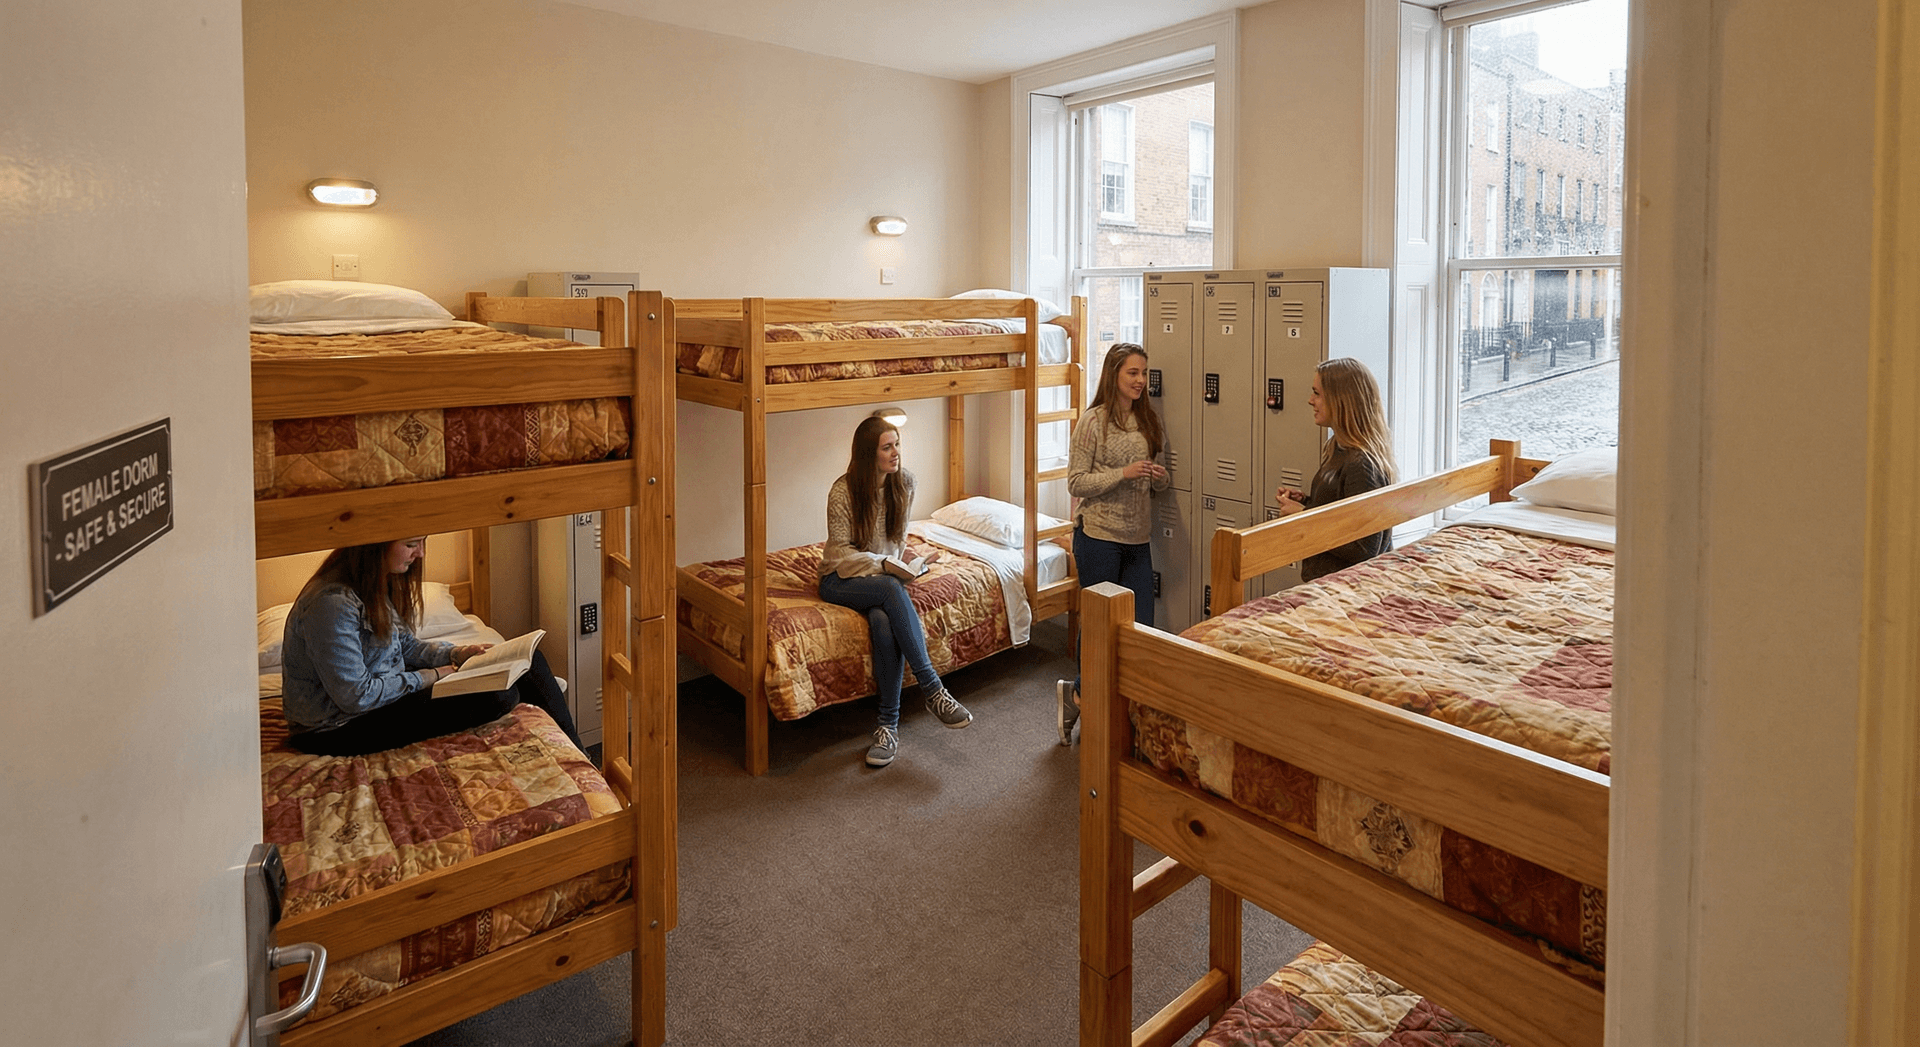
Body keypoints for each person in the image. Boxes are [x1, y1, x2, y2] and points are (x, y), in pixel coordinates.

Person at [280, 536, 581, 756]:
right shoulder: (330, 604)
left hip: (378, 704)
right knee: (500, 696)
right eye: (411, 544)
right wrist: (434, 675)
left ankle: (582, 758)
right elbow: (356, 697)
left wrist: (457, 654)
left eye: (422, 542)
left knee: (532, 660)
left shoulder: (372, 583)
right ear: (375, 543)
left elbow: (406, 647)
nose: (420, 554)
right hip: (337, 727)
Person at [819, 416, 973, 768]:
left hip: (881, 580)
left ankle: (887, 727)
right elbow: (842, 557)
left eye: (897, 445)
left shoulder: (904, 484)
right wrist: (886, 566)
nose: (896, 453)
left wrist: (905, 565)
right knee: (889, 588)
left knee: (883, 622)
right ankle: (933, 690)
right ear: (867, 454)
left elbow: (898, 543)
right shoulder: (842, 491)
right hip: (838, 580)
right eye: (887, 447)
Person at [1056, 343, 1170, 746]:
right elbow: (1075, 482)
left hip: (1137, 537)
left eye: (1143, 373)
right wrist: (1122, 473)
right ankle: (1082, 698)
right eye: (1132, 374)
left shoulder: (1147, 421)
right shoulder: (1093, 421)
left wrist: (1157, 477)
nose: (1140, 381)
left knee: (1141, 627)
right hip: (1098, 537)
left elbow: (1162, 480)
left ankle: (1118, 710)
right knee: (1099, 628)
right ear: (1114, 376)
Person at [1273, 357, 1400, 583]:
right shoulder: (1337, 449)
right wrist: (1309, 503)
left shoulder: (1361, 464)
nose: (1310, 401)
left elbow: (1364, 548)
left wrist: (1303, 516)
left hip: (1348, 587)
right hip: (1327, 584)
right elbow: (1340, 513)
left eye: (1317, 393)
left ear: (1341, 401)